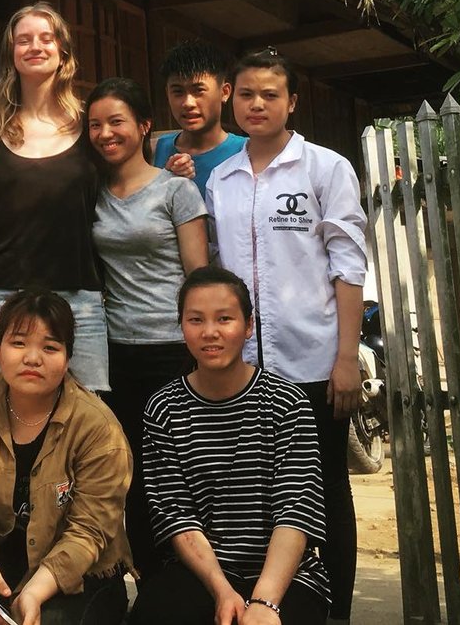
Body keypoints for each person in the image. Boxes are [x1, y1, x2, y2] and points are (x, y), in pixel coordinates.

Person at [201, 49, 367, 623]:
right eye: (246, 94)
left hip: (314, 365)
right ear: (231, 97)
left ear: (291, 102)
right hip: (243, 371)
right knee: (256, 495)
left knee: (326, 496)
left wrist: (348, 356)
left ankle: (336, 611)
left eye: (270, 95)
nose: (257, 104)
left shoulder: (325, 168)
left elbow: (349, 266)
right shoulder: (220, 179)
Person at [130, 267, 331, 625]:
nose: (210, 332)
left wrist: (265, 602)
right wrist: (222, 590)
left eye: (225, 319)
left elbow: (295, 511)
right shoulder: (163, 409)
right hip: (201, 572)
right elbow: (176, 516)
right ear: (182, 326)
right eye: (196, 320)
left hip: (286, 575)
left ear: (248, 325)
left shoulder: (288, 403)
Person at [0, 289, 132, 625]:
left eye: (50, 347)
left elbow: (88, 530)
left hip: (82, 568)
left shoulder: (98, 427)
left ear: (68, 358)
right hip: (0, 549)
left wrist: (35, 590)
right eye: (18, 343)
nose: (32, 358)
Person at [83, 76, 208, 581]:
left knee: (179, 473)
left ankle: (194, 580)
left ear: (144, 126)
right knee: (129, 472)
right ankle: (153, 582)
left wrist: (203, 347)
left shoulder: (177, 188)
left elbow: (199, 276)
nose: (106, 133)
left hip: (172, 349)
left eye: (116, 122)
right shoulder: (91, 194)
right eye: (95, 125)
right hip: (117, 351)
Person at [0, 3, 107, 391]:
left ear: (63, 52)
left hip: (79, 297)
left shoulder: (91, 125)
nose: (35, 46)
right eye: (24, 40)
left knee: (88, 417)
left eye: (45, 38)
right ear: (12, 54)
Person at [152, 41, 244, 208]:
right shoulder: (154, 149)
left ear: (224, 92)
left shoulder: (247, 152)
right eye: (178, 92)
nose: (188, 103)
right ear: (167, 93)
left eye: (198, 90)